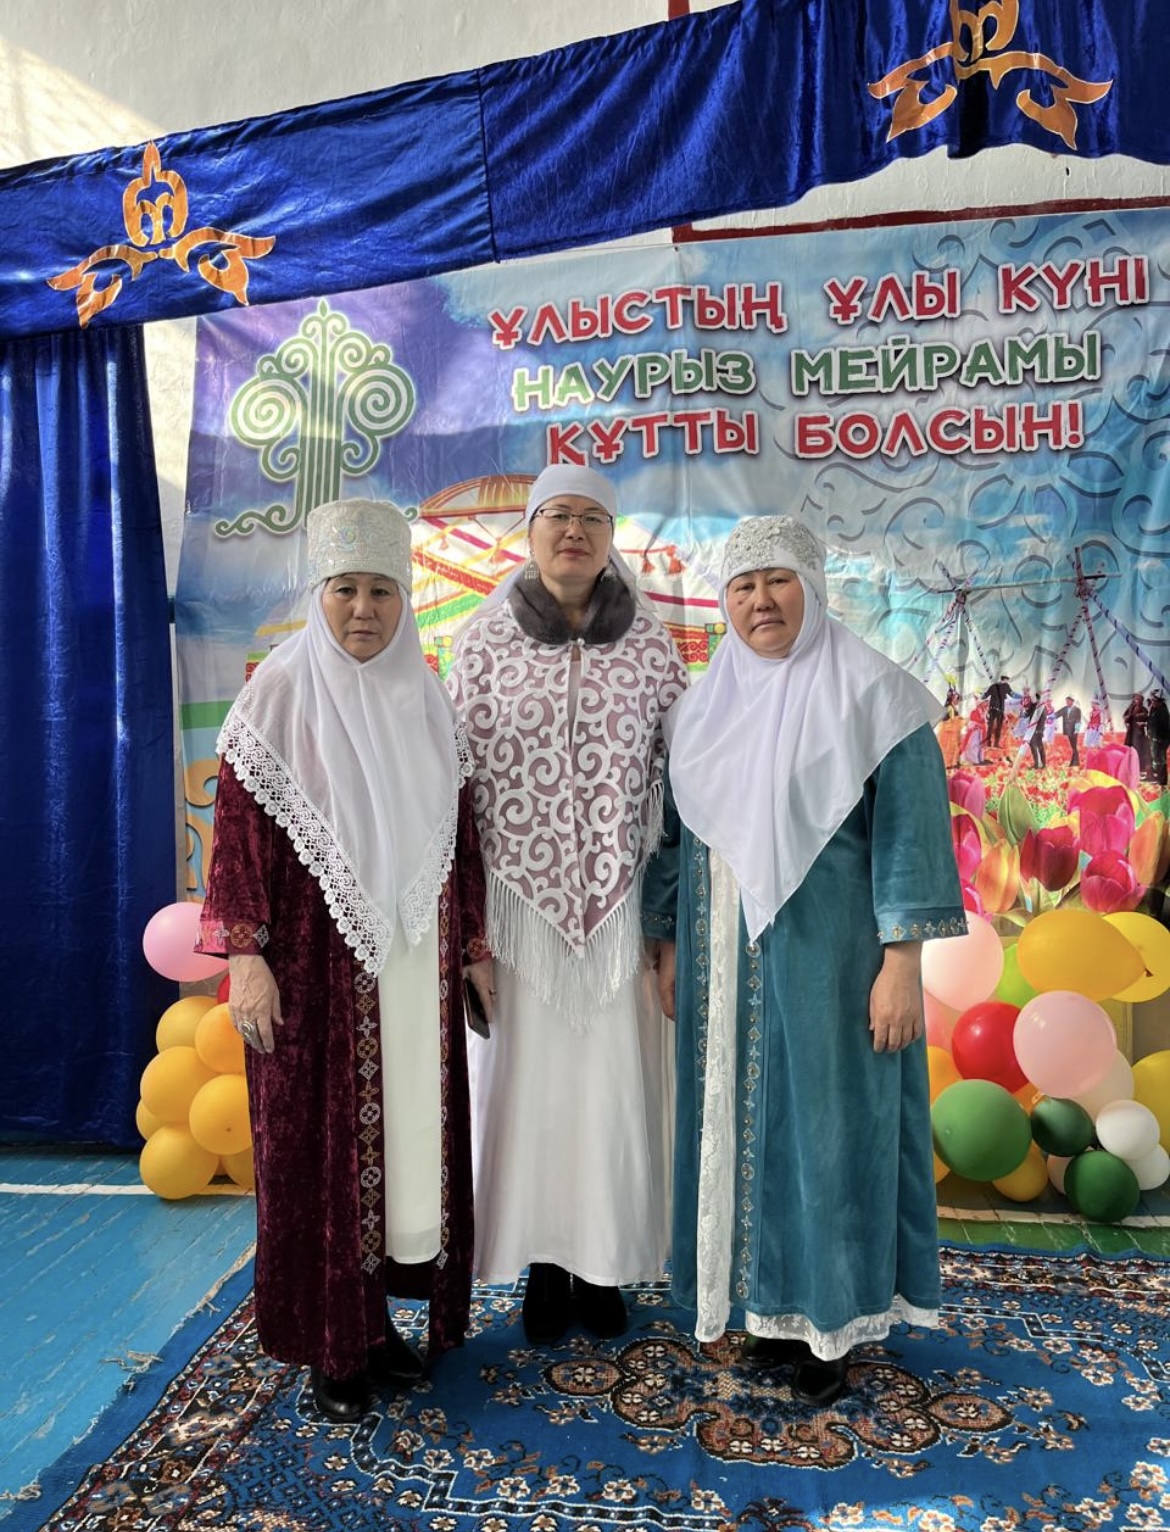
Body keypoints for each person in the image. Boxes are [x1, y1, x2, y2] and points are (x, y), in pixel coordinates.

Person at [645, 515, 964, 1408]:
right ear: (725, 602)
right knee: (743, 1125)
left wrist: (902, 964)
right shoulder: (700, 710)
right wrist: (664, 943)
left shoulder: (876, 699)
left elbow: (909, 838)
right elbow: (673, 838)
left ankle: (832, 1322)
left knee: (827, 1132)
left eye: (778, 581)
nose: (761, 602)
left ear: (812, 590)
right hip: (721, 967)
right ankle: (764, 1307)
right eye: (743, 587)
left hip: (834, 964)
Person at [196, 499, 492, 1424]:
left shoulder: (428, 704)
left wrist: (473, 950)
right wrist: (246, 956)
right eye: (344, 590)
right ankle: (334, 1343)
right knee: (321, 1153)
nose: (363, 609)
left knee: (406, 1154)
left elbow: (461, 844)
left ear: (404, 600)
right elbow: (237, 843)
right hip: (314, 976)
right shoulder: (276, 700)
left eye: (381, 591)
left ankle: (378, 1325)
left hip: (413, 970)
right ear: (317, 596)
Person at [448, 464, 688, 1346]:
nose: (575, 532)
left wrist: (665, 924)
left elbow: (679, 791)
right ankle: (544, 1266)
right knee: (533, 1093)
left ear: (611, 537)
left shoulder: (653, 650)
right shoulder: (482, 642)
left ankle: (604, 1263)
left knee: (613, 1090)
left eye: (592, 518)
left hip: (622, 914)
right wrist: (472, 935)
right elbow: (454, 793)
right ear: (532, 529)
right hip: (519, 915)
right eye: (558, 515)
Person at [1125, 692, 1151, 778]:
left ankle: (1140, 770)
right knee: (1129, 750)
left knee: (1139, 751)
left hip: (1139, 734)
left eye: (1137, 699)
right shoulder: (1131, 708)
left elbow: (1146, 720)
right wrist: (1127, 722)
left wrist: (1142, 723)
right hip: (1131, 733)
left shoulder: (1144, 710)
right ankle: (1129, 769)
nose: (1135, 700)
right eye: (1135, 699)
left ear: (1141, 700)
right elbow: (1125, 717)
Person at [1148, 689, 1170, 787]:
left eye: (1154, 701)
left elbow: (1164, 728)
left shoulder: (1163, 712)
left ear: (1160, 701)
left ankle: (1162, 781)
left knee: (1160, 760)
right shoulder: (1155, 710)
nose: (1153, 702)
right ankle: (1157, 778)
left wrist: (1159, 739)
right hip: (1154, 740)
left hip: (1160, 741)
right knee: (1155, 759)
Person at [1053, 695, 1083, 767]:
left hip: (1074, 730)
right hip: (1068, 730)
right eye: (1066, 701)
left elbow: (1078, 720)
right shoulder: (1064, 709)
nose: (1067, 702)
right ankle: (1074, 762)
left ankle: (1075, 762)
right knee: (1073, 746)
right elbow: (1057, 714)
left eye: (1068, 701)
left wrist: (1077, 729)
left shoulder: (1077, 710)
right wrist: (1049, 717)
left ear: (1072, 701)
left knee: (1074, 746)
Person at [982, 674, 1012, 748]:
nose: (1007, 682)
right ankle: (996, 744)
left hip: (992, 709)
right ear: (1005, 680)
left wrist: (980, 695)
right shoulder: (1006, 686)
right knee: (998, 727)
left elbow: (985, 695)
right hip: (1000, 710)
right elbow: (1013, 695)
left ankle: (988, 743)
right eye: (1007, 680)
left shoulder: (993, 686)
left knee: (990, 726)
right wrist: (1023, 697)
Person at [959, 695, 987, 765]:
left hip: (980, 731)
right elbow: (973, 721)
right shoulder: (974, 711)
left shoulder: (983, 711)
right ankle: (973, 759)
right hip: (975, 731)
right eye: (984, 702)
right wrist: (979, 725)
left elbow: (983, 720)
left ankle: (979, 758)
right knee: (974, 744)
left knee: (980, 745)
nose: (985, 704)